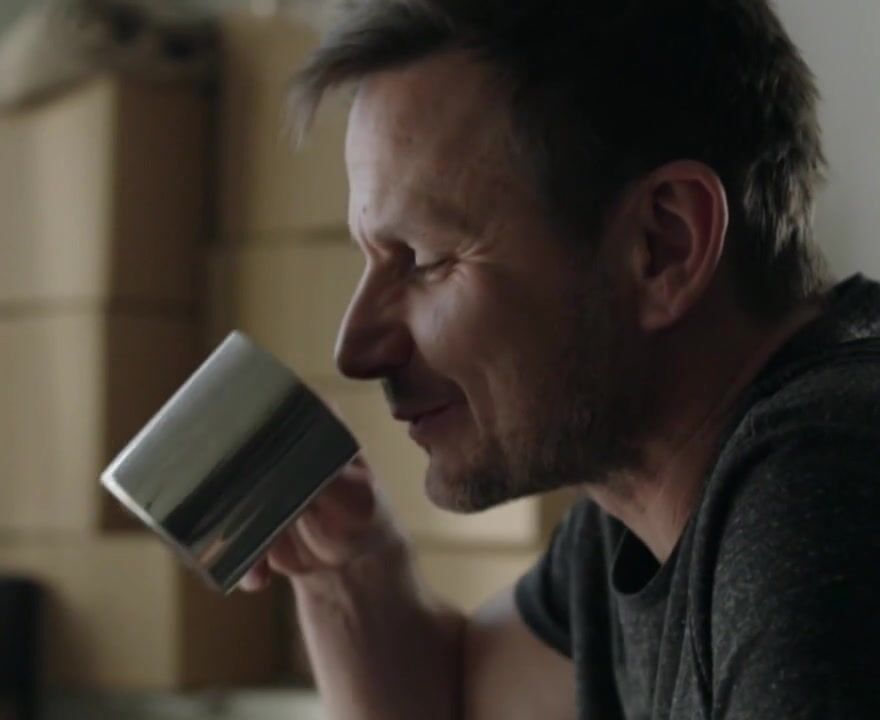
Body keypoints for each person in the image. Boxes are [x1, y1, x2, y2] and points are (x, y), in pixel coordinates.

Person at [236, 1, 880, 718]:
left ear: (663, 246)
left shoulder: (825, 507)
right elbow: (454, 704)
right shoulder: (643, 502)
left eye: (423, 259)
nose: (355, 349)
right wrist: (345, 567)